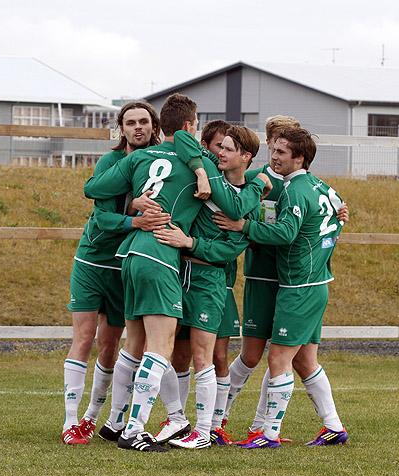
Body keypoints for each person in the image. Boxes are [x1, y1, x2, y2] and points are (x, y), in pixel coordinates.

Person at [83, 93, 271, 452]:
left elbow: (93, 188)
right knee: (161, 348)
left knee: (134, 344)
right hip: (160, 257)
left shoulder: (138, 156)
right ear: (189, 127)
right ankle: (135, 430)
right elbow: (234, 205)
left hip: (130, 254)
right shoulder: (198, 164)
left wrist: (134, 200)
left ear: (160, 126)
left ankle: (115, 422)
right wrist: (257, 184)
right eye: (196, 125)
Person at [215, 116, 348, 444]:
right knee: (256, 355)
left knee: (289, 358)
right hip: (265, 277)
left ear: (297, 153)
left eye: (281, 147)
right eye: (272, 144)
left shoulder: (302, 187)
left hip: (296, 282)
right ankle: (220, 420)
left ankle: (264, 429)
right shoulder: (255, 180)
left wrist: (337, 221)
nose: (274, 153)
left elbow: (312, 226)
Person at [61, 101, 169, 445]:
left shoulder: (164, 163)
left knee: (110, 347)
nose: (138, 127)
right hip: (93, 261)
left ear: (154, 126)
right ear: (120, 129)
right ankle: (70, 422)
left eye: (144, 121)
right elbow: (103, 218)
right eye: (130, 122)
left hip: (128, 263)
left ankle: (94, 417)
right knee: (84, 338)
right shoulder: (110, 163)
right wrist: (133, 215)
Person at [152, 125, 262, 449]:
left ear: (246, 157)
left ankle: (205, 431)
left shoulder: (247, 204)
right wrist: (201, 170)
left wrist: (191, 241)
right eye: (221, 147)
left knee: (205, 356)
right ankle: (177, 421)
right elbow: (182, 136)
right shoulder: (211, 171)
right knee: (172, 353)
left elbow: (229, 250)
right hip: (178, 274)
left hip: (209, 281)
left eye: (229, 149)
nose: (221, 153)